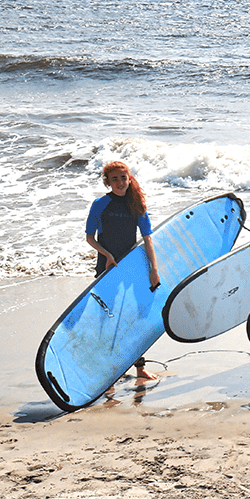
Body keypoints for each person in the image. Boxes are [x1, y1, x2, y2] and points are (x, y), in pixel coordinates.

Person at [85, 160, 160, 381]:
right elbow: (90, 238)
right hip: (107, 267)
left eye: (123, 178)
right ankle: (108, 371)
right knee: (106, 318)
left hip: (132, 267)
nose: (120, 182)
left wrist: (154, 269)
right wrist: (107, 255)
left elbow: (148, 239)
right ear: (107, 182)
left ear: (129, 179)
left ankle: (140, 367)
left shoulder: (136, 204)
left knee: (134, 317)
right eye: (115, 179)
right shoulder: (100, 204)